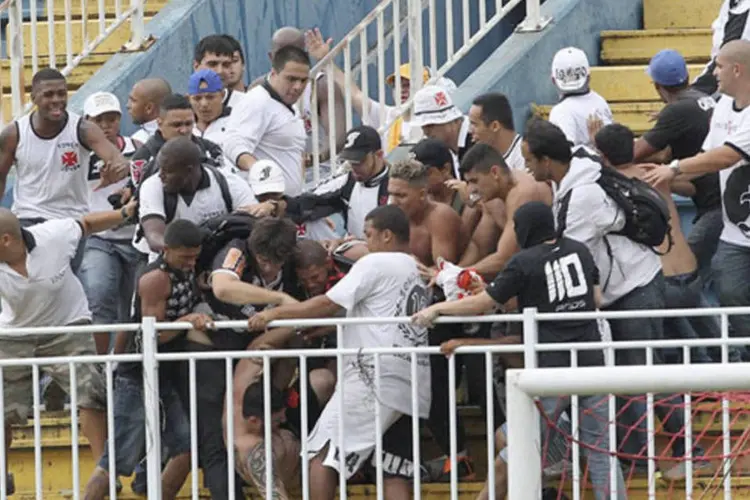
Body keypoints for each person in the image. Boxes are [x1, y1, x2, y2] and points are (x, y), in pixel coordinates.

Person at [412, 201, 627, 500]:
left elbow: (482, 304)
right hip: (591, 362)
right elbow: (596, 298)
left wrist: (438, 309)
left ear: (524, 229)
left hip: (552, 370)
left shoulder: (524, 261)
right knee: (601, 450)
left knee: (521, 441)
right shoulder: (579, 250)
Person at [524, 118, 696, 477]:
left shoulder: (581, 196)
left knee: (640, 375)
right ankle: (642, 461)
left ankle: (689, 451)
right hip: (628, 287)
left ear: (546, 161)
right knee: (631, 376)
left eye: (528, 160)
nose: (525, 167)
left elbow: (572, 256)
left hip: (634, 288)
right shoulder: (577, 174)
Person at [249, 205, 431, 500]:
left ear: (386, 236)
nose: (365, 242)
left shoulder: (375, 263)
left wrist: (274, 314)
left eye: (369, 235)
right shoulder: (412, 267)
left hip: (372, 378)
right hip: (410, 381)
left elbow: (327, 304)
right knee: (393, 468)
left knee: (322, 453)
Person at [0, 199, 137, 494]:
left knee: (90, 393)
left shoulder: (54, 236)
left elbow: (86, 224)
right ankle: (2, 473)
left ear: (6, 239)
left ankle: (105, 471)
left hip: (67, 325)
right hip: (14, 333)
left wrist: (124, 214)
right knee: (3, 407)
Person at [84, 219, 209, 500]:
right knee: (113, 461)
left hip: (161, 373)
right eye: (186, 256)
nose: (191, 262)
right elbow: (152, 337)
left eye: (195, 256)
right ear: (167, 249)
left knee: (186, 450)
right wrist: (186, 321)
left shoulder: (184, 271)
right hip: (137, 373)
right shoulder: (155, 278)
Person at [643, 40, 750, 359]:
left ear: (736, 69)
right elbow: (705, 159)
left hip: (729, 217)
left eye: (718, 66)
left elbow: (726, 156)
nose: (712, 73)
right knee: (730, 291)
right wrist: (660, 175)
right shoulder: (720, 109)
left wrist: (673, 168)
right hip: (735, 230)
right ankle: (743, 364)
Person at [0, 69, 130, 269]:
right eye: (48, 94)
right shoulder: (14, 133)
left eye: (62, 93)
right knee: (35, 280)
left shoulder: (83, 128)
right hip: (28, 218)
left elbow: (116, 157)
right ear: (34, 97)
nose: (57, 100)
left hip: (71, 222)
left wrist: (117, 167)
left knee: (64, 285)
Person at [634, 49, 720, 276]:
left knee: (684, 273)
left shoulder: (677, 110)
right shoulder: (701, 98)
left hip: (715, 205)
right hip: (713, 195)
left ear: (657, 86)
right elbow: (663, 156)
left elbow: (634, 153)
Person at [229, 327, 335, 498]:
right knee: (322, 453)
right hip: (298, 469)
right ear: (255, 421)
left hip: (292, 439)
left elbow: (257, 347)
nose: (283, 418)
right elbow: (274, 495)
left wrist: (296, 323)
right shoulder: (254, 449)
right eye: (277, 420)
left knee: (322, 379)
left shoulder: (242, 390)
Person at [78, 91, 142, 355]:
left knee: (134, 307)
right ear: (86, 121)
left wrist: (130, 167)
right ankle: (98, 366)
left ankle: (121, 365)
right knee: (99, 294)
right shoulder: (78, 155)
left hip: (136, 238)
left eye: (112, 118)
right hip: (98, 238)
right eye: (98, 119)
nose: (105, 125)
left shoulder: (139, 146)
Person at [137, 136, 258, 257]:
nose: (160, 175)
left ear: (188, 170)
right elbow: (154, 237)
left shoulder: (230, 183)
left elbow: (255, 225)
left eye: (167, 171)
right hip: (168, 260)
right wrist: (185, 251)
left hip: (218, 257)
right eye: (160, 169)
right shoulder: (152, 185)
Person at [251, 26, 346, 170]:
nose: (288, 60)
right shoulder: (258, 89)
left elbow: (336, 138)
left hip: (321, 174)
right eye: (282, 55)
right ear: (271, 57)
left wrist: (315, 157)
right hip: (277, 177)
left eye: (294, 54)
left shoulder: (321, 86)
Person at [457, 143, 552, 278]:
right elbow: (479, 247)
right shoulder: (491, 197)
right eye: (468, 183)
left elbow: (505, 257)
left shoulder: (523, 193)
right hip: (527, 268)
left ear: (494, 173)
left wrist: (460, 274)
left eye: (474, 181)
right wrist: (450, 271)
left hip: (548, 270)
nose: (471, 190)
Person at [224, 45, 310, 195]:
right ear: (274, 73)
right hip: (264, 204)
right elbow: (233, 144)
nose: (298, 86)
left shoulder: (288, 105)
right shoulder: (257, 101)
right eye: (291, 79)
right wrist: (263, 173)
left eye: (303, 80)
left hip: (290, 205)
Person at [283, 126, 390, 243]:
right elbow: (306, 202)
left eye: (359, 161)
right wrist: (275, 205)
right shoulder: (347, 182)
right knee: (309, 220)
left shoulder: (396, 187)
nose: (354, 167)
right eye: (350, 161)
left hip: (389, 254)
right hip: (352, 251)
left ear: (379, 155)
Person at [388, 158, 465, 266]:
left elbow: (443, 269)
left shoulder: (440, 217)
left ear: (422, 194)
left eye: (401, 195)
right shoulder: (393, 217)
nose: (393, 202)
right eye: (391, 194)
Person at [548, 47, 613, 148]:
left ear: (553, 80)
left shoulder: (560, 111)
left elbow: (564, 156)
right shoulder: (600, 102)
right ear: (588, 77)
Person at [412, 85, 474, 178]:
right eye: (423, 127)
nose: (426, 133)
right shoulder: (443, 148)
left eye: (431, 125)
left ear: (450, 120)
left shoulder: (479, 139)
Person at [467, 92, 525, 171]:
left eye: (474, 124)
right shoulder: (484, 159)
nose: (470, 130)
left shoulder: (523, 156)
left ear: (495, 126)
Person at [189, 69, 235, 167]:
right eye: (197, 98)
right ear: (189, 99)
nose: (204, 104)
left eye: (210, 97)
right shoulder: (183, 128)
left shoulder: (237, 122)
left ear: (222, 95)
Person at [193, 34, 249, 108]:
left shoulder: (248, 105)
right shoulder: (184, 109)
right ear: (196, 66)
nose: (220, 71)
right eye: (212, 64)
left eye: (226, 64)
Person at [127, 78, 172, 144]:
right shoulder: (186, 131)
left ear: (149, 108)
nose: (128, 105)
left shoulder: (139, 141)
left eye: (133, 101)